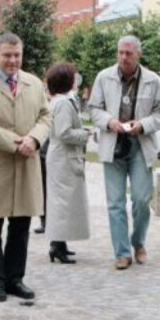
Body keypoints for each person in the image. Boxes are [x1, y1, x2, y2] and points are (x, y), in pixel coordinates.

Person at [0, 32, 51, 303]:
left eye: (17, 55)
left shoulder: (34, 83)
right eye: (7, 55)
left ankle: (15, 278)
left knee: (20, 225)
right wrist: (16, 143)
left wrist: (35, 139)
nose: (13, 60)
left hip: (26, 164)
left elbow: (45, 116)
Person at [87, 35, 160, 270]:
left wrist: (143, 124)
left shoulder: (152, 80)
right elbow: (93, 108)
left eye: (129, 53)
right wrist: (109, 121)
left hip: (139, 145)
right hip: (113, 144)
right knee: (115, 203)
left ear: (138, 55)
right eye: (121, 52)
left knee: (142, 200)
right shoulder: (104, 77)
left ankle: (138, 242)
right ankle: (122, 252)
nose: (124, 57)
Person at [44, 62, 91, 264]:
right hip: (63, 157)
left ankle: (59, 243)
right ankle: (57, 245)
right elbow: (64, 133)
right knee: (62, 203)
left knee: (61, 202)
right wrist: (84, 134)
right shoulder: (63, 103)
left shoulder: (58, 101)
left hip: (60, 157)